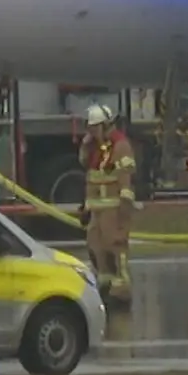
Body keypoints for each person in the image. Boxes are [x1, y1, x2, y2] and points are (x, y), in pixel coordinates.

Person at [78, 104, 137, 303]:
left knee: (115, 242)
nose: (92, 132)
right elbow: (87, 168)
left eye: (95, 128)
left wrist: (125, 201)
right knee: (96, 243)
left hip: (113, 205)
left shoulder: (121, 145)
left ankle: (122, 283)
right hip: (96, 207)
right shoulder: (95, 148)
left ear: (105, 125)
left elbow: (125, 174)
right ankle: (105, 278)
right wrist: (86, 206)